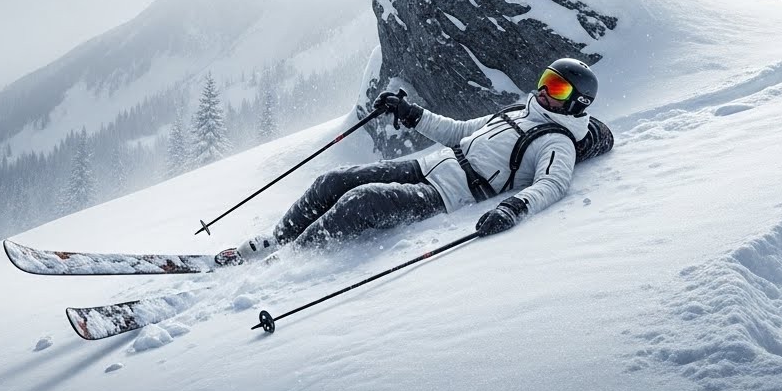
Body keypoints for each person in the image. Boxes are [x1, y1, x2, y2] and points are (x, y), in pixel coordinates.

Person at [214, 58, 613, 265]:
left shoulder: (556, 141)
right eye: (545, 79)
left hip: (447, 194)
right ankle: (275, 239)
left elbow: (553, 184)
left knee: (363, 200)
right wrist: (410, 112)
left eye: (557, 87)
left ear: (576, 102)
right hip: (430, 165)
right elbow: (460, 131)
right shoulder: (520, 111)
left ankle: (290, 257)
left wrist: (514, 207)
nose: (544, 91)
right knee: (334, 181)